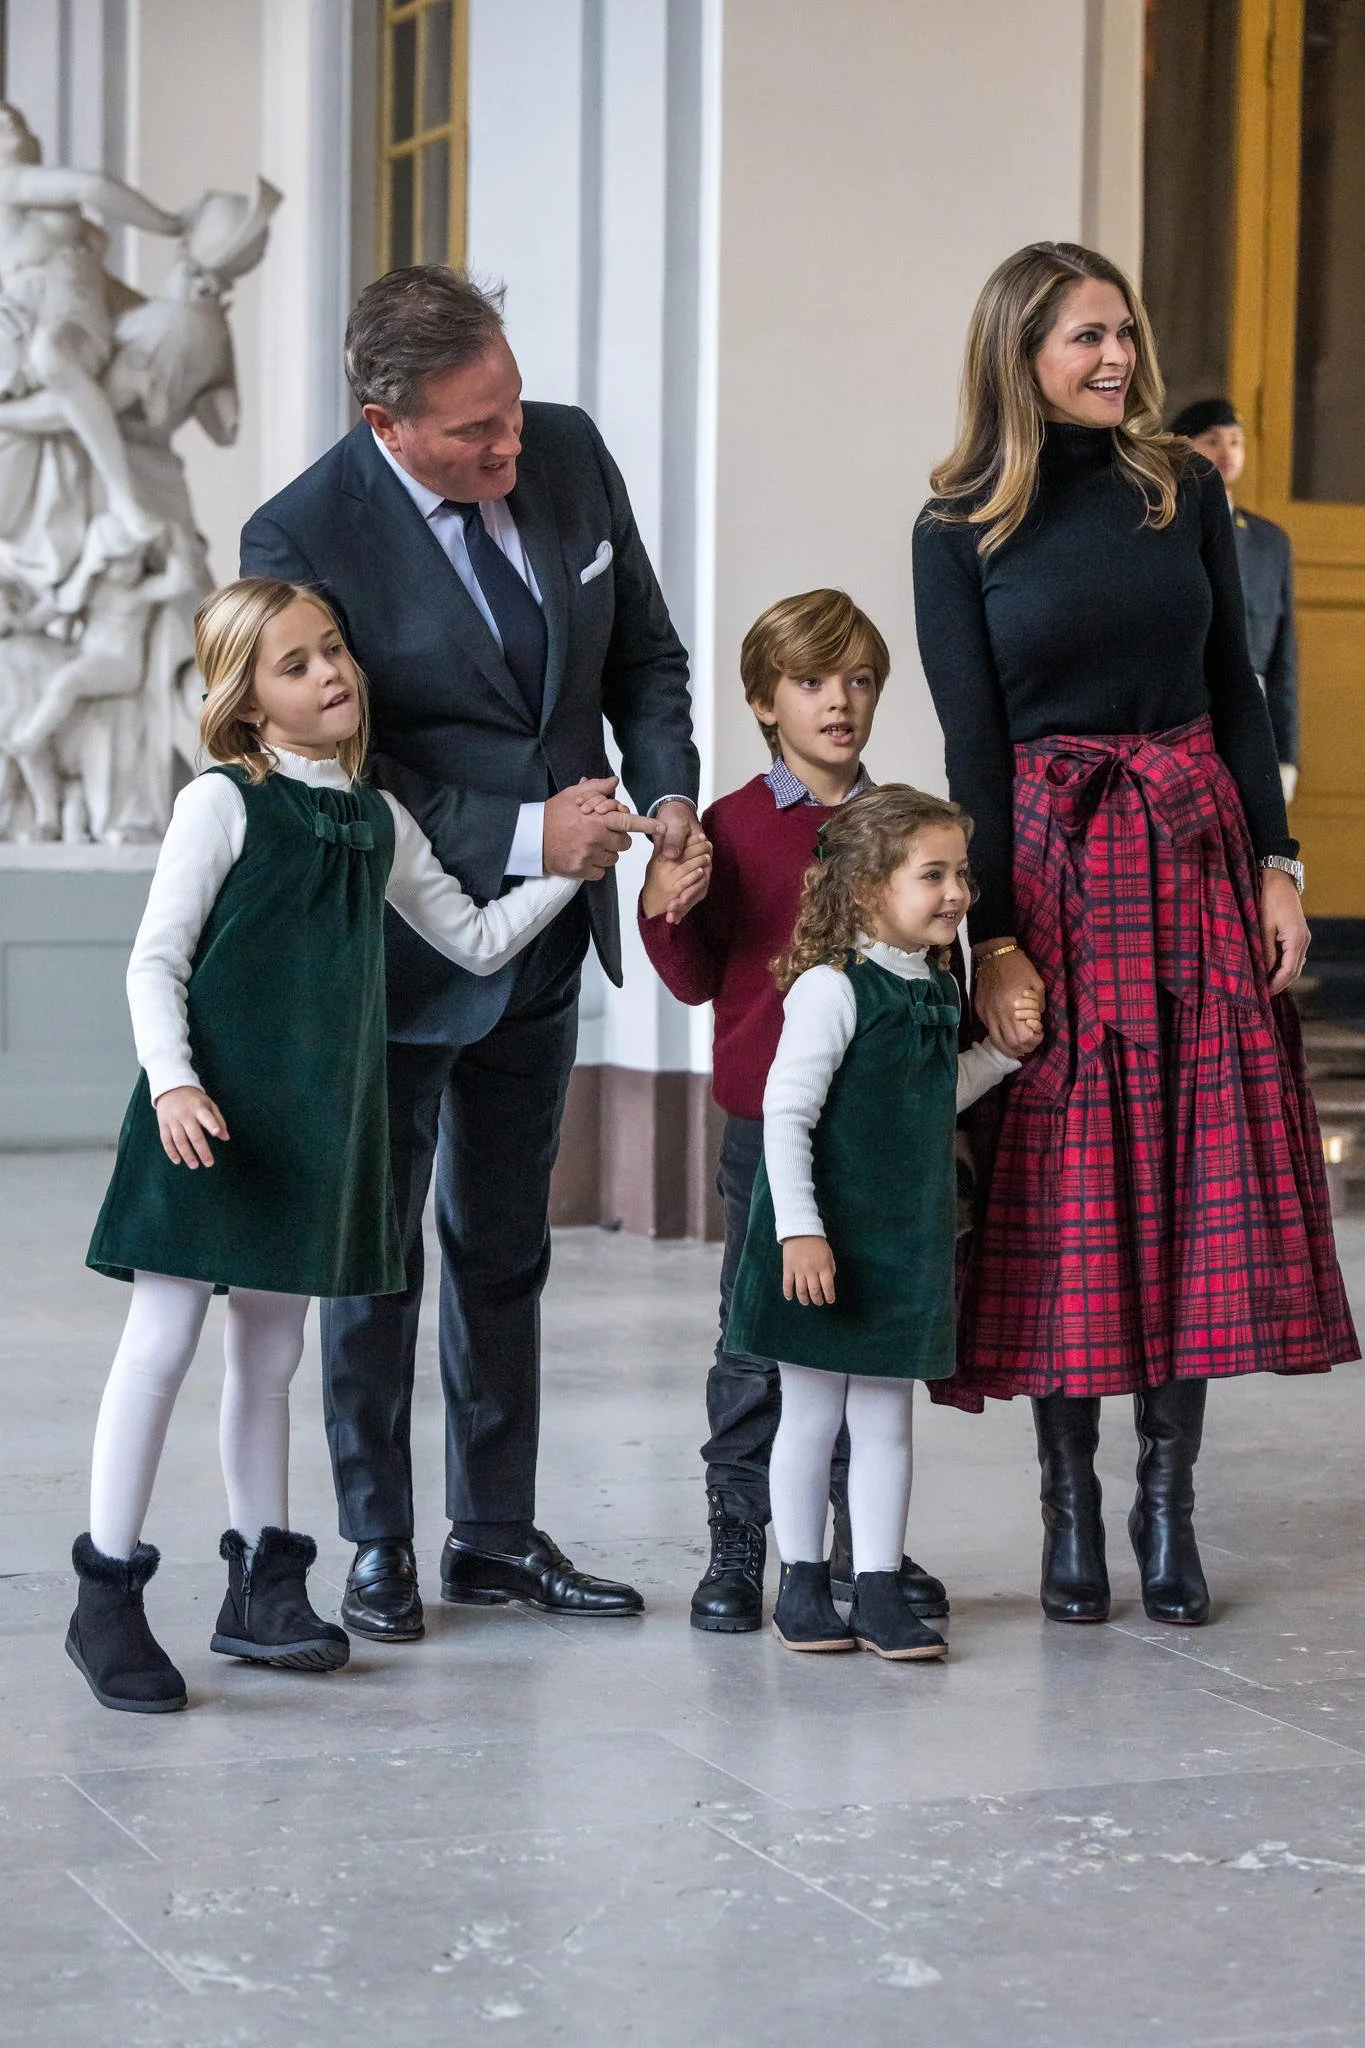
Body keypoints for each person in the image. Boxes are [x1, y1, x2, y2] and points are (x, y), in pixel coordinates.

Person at [65, 580, 664, 1713]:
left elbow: (475, 940)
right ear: (245, 701)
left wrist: (564, 877)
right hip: (206, 1126)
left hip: (310, 1132)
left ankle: (263, 1586)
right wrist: (177, 1082)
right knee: (160, 1348)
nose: (330, 672)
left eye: (333, 647)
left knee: (271, 1362)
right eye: (294, 664)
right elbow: (156, 959)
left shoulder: (378, 818)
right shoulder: (222, 805)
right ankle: (106, 1594)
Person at [240, 267, 700, 1641]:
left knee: (504, 1244)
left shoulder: (565, 450)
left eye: (510, 409)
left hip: (548, 945)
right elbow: (324, 758)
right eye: (474, 432)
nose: (512, 447)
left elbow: (649, 666)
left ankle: (493, 1536)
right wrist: (514, 831)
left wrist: (667, 797)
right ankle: (376, 1542)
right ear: (385, 420)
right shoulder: (299, 530)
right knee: (376, 1259)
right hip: (389, 954)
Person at [912, 242, 1357, 1631]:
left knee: (1194, 1187)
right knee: (1068, 1193)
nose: (1115, 359)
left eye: (1122, 333)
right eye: (1082, 340)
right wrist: (989, 940)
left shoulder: (1181, 490)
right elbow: (971, 748)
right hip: (1050, 867)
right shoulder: (955, 527)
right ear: (1018, 358)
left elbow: (1236, 690)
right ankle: (1069, 1507)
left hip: (1196, 857)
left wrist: (1278, 867)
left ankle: (1167, 1504)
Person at [640, 589, 950, 1633]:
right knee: (755, 1339)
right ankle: (740, 1542)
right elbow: (690, 974)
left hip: (884, 1141)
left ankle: (864, 1555)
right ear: (765, 702)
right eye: (813, 681)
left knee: (865, 1347)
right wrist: (660, 904)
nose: (840, 701)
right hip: (767, 1134)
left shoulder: (900, 827)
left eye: (860, 680)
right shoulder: (731, 824)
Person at [723, 787, 1025, 1659]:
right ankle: (803, 1586)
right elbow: (786, 1116)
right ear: (864, 892)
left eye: (960, 873)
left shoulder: (930, 987)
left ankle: (881, 1587)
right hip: (822, 1246)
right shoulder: (831, 988)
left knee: (887, 1421)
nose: (957, 893)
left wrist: (998, 1058)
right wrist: (799, 1232)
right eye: (932, 875)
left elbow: (933, 1099)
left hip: (903, 1245)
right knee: (811, 1417)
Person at [1171, 397, 1299, 805]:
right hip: (1183, 729)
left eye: (1235, 441)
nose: (1226, 453)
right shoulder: (1164, 528)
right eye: (1211, 440)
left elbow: (1283, 658)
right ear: (1182, 447)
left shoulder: (1270, 542)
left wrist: (1286, 754)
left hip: (1250, 724)